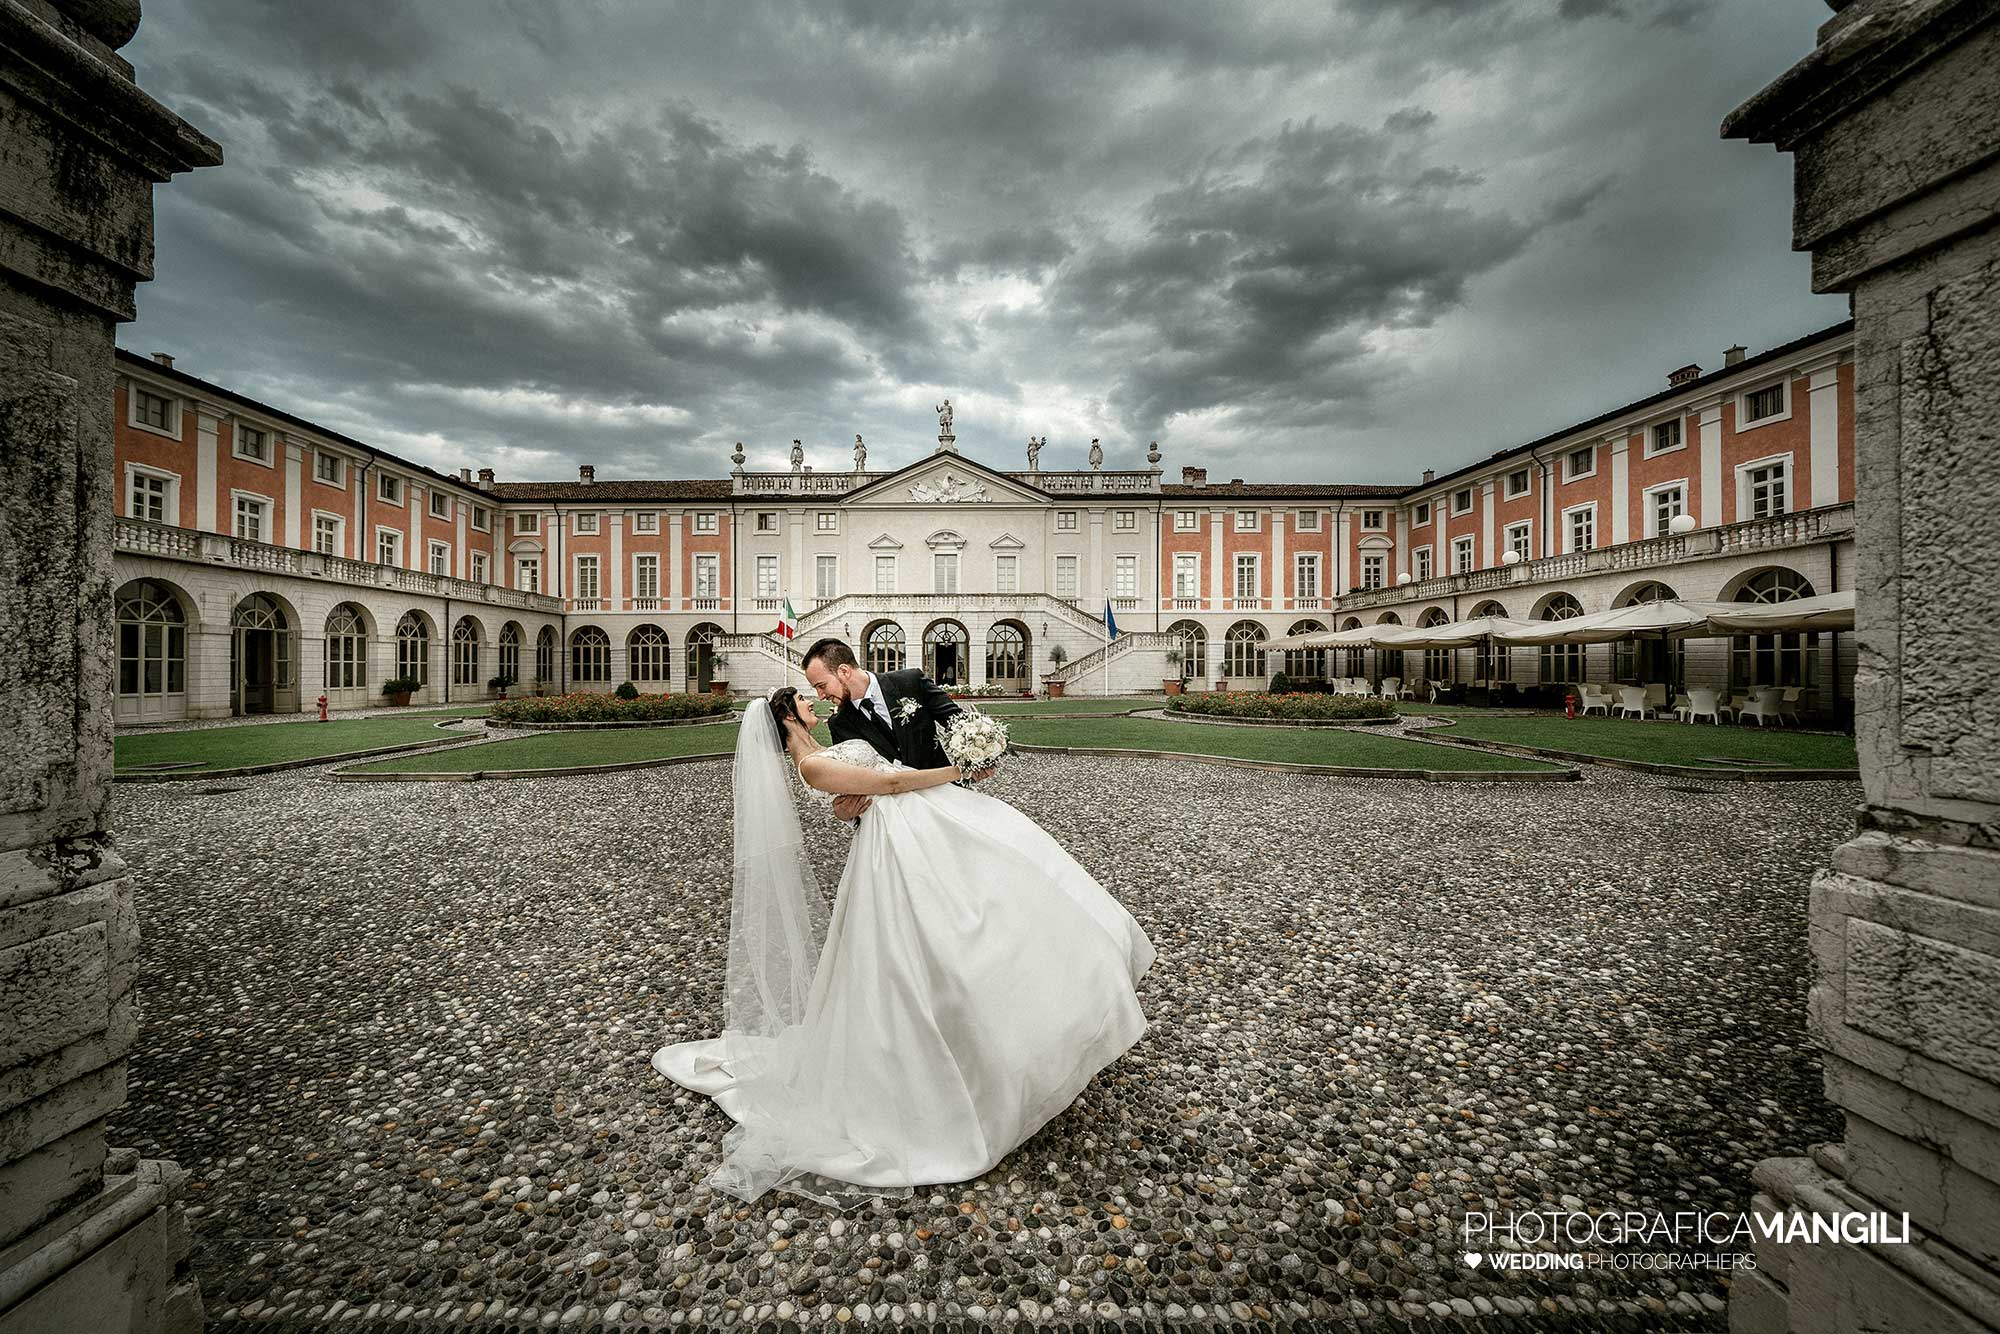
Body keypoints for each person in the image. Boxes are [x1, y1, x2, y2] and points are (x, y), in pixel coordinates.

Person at [649, 685, 1156, 1207]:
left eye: (816, 690)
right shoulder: (811, 765)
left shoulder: (823, 750)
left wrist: (869, 802)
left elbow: (870, 790)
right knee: (928, 945)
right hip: (897, 842)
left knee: (994, 903)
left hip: (916, 828)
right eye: (806, 699)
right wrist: (956, 773)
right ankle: (957, 1061)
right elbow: (889, 781)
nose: (816, 702)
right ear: (786, 716)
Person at [798, 636, 968, 822]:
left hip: (950, 799)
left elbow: (961, 725)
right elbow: (857, 786)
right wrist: (845, 815)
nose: (820, 696)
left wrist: (978, 757)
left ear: (844, 671)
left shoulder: (910, 681)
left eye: (822, 686)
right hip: (899, 819)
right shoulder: (839, 724)